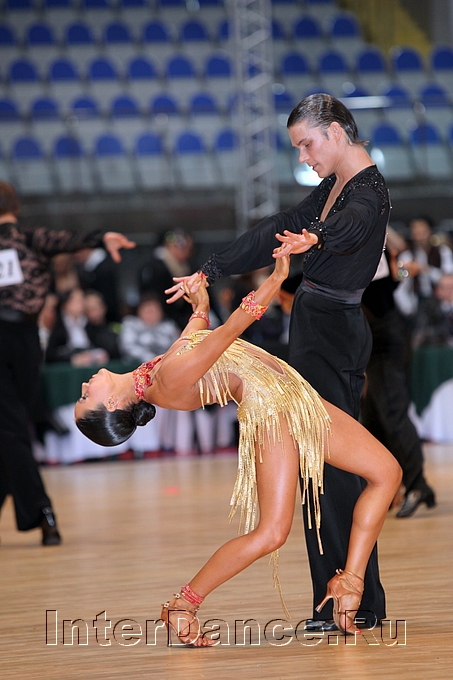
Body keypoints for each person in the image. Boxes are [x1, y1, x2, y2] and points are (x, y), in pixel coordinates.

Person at [74, 260, 401, 644]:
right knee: (271, 533)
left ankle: (349, 582)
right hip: (272, 412)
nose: (84, 386)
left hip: (293, 397)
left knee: (387, 473)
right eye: (85, 398)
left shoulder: (154, 375)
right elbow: (231, 330)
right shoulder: (165, 381)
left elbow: (198, 334)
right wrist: (276, 279)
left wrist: (199, 302)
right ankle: (183, 604)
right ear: (112, 405)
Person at [165, 94, 390, 631]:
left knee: (336, 469)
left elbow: (355, 225)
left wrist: (319, 236)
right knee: (317, 468)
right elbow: (276, 229)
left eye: (307, 145)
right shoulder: (333, 188)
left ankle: (356, 601)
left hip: (333, 333)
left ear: (336, 132)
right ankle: (336, 597)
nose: (304, 157)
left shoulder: (367, 192)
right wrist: (210, 270)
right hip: (315, 329)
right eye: (298, 149)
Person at [0, 180, 135, 545]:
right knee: (12, 426)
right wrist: (102, 237)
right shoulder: (29, 238)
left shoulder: (28, 238)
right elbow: (67, 240)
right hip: (25, 342)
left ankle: (41, 512)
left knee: (9, 427)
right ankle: (42, 511)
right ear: (16, 207)